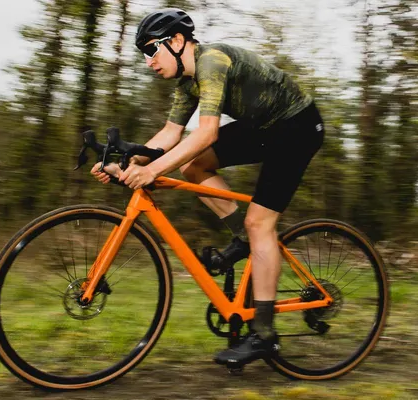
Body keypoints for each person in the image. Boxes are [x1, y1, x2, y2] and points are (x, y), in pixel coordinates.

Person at [90, 8, 325, 367]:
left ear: (178, 41)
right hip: (263, 128)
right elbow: (170, 135)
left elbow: (207, 133)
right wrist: (129, 164)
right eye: (144, 54)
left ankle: (264, 335)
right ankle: (244, 240)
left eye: (152, 50)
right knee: (193, 166)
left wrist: (152, 171)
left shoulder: (211, 62)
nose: (149, 61)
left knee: (260, 222)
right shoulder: (186, 82)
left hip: (296, 127)